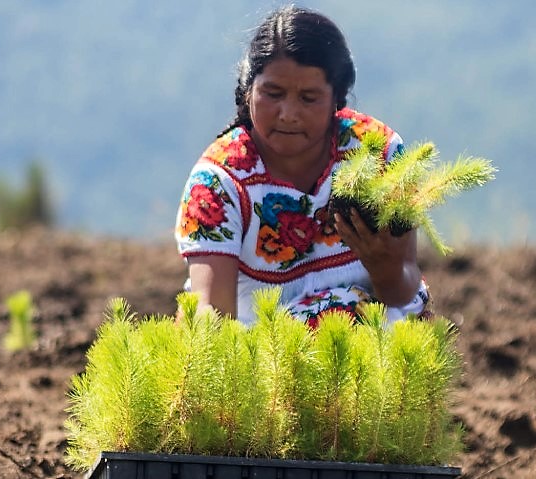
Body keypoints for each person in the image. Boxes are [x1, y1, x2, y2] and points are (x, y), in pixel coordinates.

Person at [174, 5, 430, 327]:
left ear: (337, 99)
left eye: (308, 98)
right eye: (273, 93)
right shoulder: (219, 182)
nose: (288, 114)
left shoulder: (377, 154)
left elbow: (402, 291)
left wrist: (384, 267)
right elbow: (212, 313)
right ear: (248, 89)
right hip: (263, 351)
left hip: (377, 338)